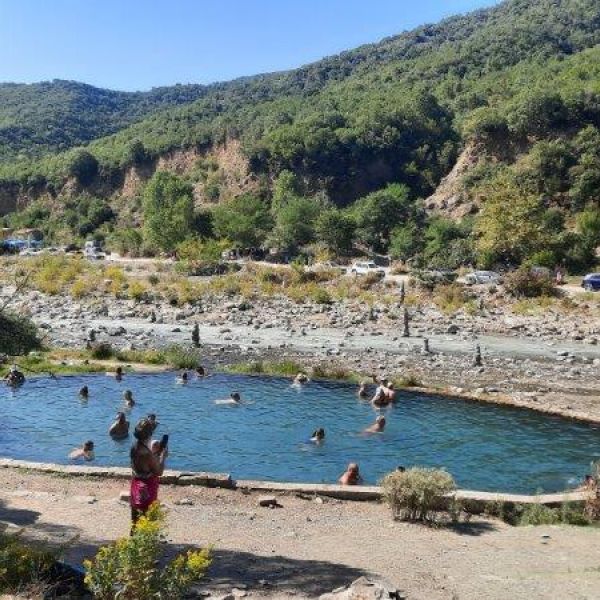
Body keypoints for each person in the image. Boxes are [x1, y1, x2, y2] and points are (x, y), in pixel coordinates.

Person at [129, 418, 168, 526]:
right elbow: (159, 471)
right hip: (148, 488)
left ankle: (134, 540)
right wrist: (163, 457)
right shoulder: (147, 454)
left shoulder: (134, 447)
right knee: (147, 519)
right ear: (149, 434)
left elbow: (137, 465)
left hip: (136, 484)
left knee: (135, 520)